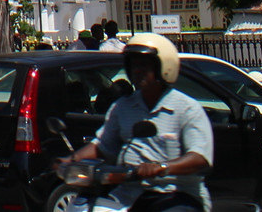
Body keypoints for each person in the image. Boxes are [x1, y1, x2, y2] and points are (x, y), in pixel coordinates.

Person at [54, 32, 212, 212]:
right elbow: (102, 145)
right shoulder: (123, 107)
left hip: (175, 194)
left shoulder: (186, 109)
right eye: (133, 65)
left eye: (144, 65)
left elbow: (200, 158)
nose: (137, 70)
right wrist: (70, 159)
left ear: (163, 67)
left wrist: (161, 168)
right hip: (128, 193)